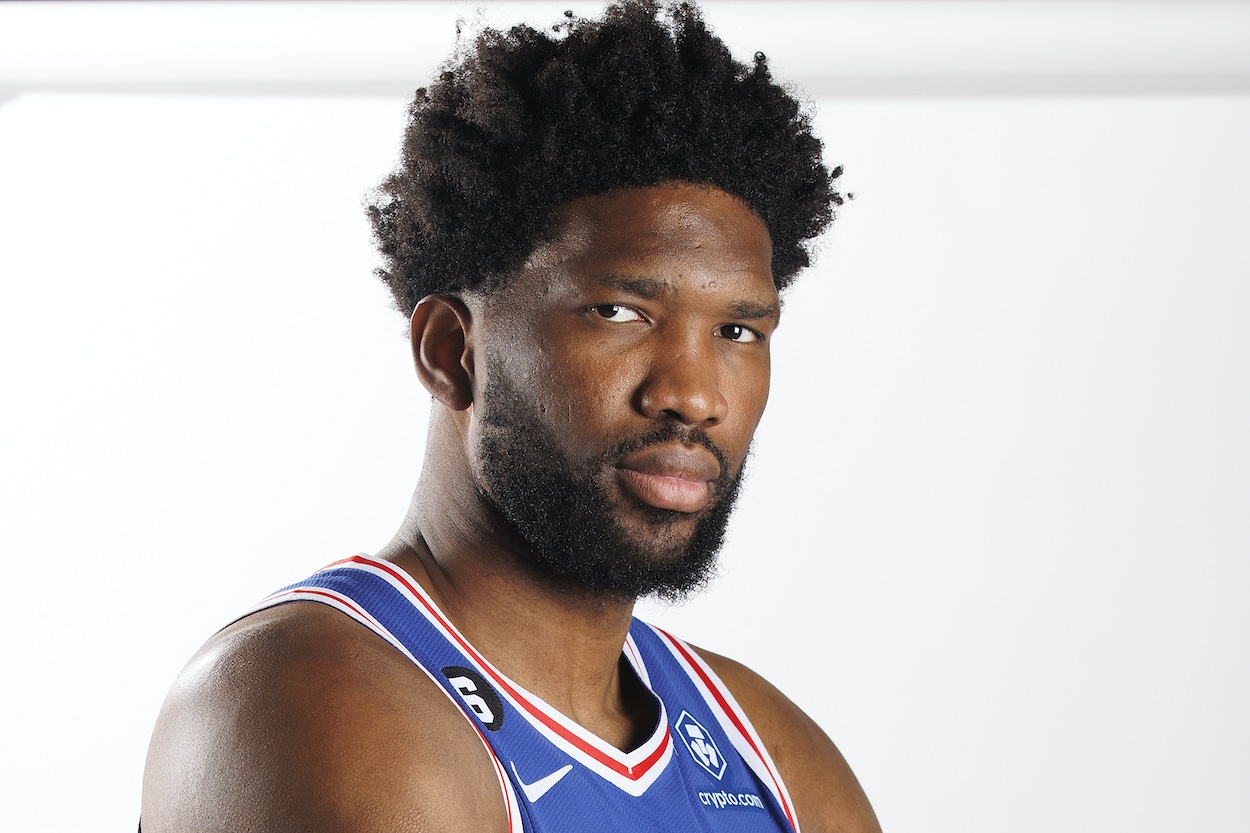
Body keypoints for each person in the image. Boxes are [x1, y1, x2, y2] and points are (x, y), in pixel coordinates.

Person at [141, 2, 880, 830]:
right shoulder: (310, 698)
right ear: (452, 350)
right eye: (618, 312)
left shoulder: (769, 755)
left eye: (738, 331)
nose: (695, 394)